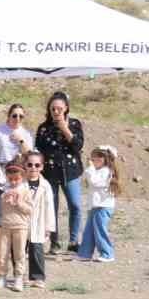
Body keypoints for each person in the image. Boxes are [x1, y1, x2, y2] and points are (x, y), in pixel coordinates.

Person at [34, 92, 85, 253]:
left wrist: (64, 128)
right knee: (52, 207)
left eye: (59, 109)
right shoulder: (43, 128)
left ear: (66, 109)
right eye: (53, 109)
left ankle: (73, 241)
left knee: (75, 205)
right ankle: (54, 242)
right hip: (50, 172)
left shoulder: (75, 124)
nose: (56, 112)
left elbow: (78, 145)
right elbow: (39, 149)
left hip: (70, 171)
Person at [77, 146, 121, 262]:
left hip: (103, 206)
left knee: (100, 230)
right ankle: (85, 253)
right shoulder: (98, 170)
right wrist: (90, 168)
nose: (95, 159)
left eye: (99, 157)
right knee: (89, 230)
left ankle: (107, 253)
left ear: (106, 159)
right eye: (94, 156)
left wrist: (90, 168)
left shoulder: (106, 171)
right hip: (95, 206)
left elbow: (94, 182)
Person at [21, 152, 56, 290]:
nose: (33, 168)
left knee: (36, 249)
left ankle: (37, 277)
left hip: (38, 221)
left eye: (37, 165)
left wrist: (49, 227)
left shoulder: (45, 185)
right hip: (21, 221)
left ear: (42, 167)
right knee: (18, 250)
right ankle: (19, 276)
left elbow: (50, 207)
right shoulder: (19, 182)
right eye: (30, 164)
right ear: (25, 165)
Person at [0, 159, 32, 292]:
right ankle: (2, 276)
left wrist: (19, 203)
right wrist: (3, 199)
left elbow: (30, 210)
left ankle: (19, 277)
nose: (13, 182)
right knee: (2, 253)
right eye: (10, 179)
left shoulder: (25, 190)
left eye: (16, 179)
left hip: (21, 226)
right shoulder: (3, 190)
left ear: (22, 177)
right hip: (4, 225)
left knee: (19, 254)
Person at [0, 104, 33, 186]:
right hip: (0, 170)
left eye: (21, 116)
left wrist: (21, 140)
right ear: (9, 116)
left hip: (18, 171)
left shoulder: (26, 133)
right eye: (14, 116)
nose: (17, 119)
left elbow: (29, 154)